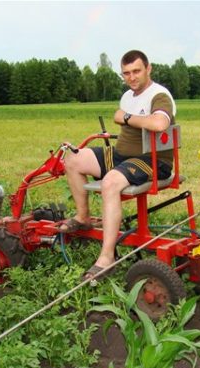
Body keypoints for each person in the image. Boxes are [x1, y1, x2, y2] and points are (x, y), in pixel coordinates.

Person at [59, 49, 176, 281]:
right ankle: (83, 216)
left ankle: (106, 257)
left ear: (148, 69)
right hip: (121, 155)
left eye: (136, 71)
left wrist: (125, 117)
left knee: (111, 181)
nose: (131, 77)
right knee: (71, 158)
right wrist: (124, 118)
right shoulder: (127, 96)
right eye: (126, 73)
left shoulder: (159, 95)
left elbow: (160, 123)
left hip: (152, 160)